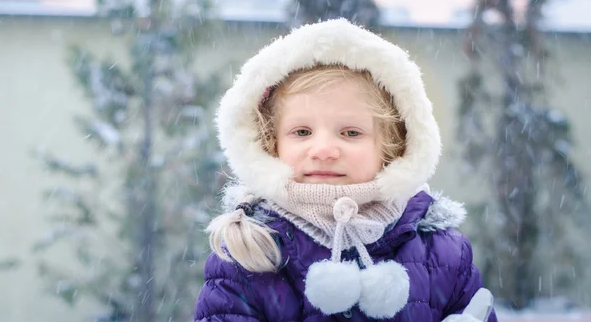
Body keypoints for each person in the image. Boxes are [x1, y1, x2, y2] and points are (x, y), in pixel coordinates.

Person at [194, 19, 497, 322]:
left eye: (351, 133)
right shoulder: (249, 251)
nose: (324, 149)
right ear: (272, 143)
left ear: (391, 147)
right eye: (302, 132)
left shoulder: (442, 253)